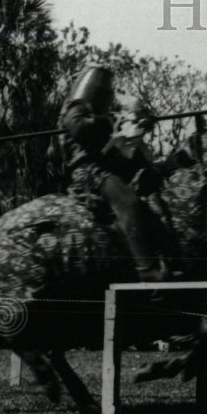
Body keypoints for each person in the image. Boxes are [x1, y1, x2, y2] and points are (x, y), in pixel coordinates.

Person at [59, 65, 179, 283]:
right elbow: (79, 128)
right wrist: (112, 124)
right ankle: (146, 267)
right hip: (87, 173)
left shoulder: (101, 114)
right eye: (104, 90)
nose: (108, 95)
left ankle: (171, 257)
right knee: (127, 201)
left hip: (106, 166)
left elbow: (124, 134)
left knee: (153, 200)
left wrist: (141, 123)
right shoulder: (74, 109)